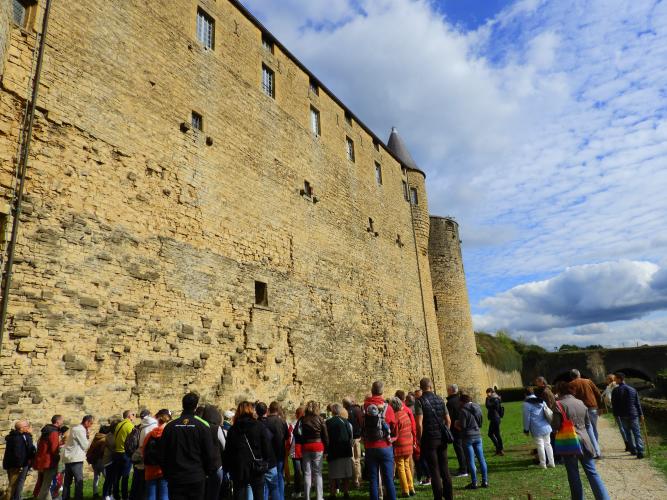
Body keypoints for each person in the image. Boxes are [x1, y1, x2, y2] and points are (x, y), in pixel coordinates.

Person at [553, 381, 610, 500]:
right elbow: (588, 424)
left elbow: (556, 426)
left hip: (569, 442)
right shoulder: (581, 402)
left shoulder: (558, 404)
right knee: (592, 472)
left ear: (559, 391)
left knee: (573, 474)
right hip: (585, 440)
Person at [158, 392, 215, 499]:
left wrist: (167, 473)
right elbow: (209, 454)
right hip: (195, 476)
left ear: (182, 405)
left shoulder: (170, 427)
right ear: (196, 406)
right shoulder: (202, 427)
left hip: (176, 477)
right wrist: (207, 472)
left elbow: (161, 454)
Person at [224, 401, 272, 500]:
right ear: (251, 410)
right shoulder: (259, 426)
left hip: (239, 468)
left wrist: (227, 467)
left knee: (239, 495)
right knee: (258, 495)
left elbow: (228, 451)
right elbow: (266, 447)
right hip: (256, 466)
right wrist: (265, 461)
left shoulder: (233, 429)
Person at [414, 377, 452, 500]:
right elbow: (448, 420)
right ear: (431, 386)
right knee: (445, 469)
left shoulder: (420, 401)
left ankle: (438, 497)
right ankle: (449, 495)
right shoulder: (440, 399)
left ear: (421, 387)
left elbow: (419, 423)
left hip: (429, 439)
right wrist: (445, 430)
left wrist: (419, 439)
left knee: (434, 469)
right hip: (441, 437)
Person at [363, 381, 397, 500]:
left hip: (370, 446)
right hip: (385, 445)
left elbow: (361, 424)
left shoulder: (365, 406)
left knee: (373, 480)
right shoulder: (388, 407)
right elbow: (393, 426)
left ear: (372, 391)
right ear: (382, 392)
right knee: (388, 479)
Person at [295, 401, 328, 500]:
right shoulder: (320, 419)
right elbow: (325, 435)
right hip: (318, 446)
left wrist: (302, 441)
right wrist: (326, 449)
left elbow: (296, 432)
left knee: (307, 473)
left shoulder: (302, 419)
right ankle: (319, 497)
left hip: (306, 446)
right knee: (318, 473)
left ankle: (307, 497)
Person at [457, 394, 488, 490]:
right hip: (478, 434)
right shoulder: (478, 407)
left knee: (471, 460)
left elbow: (463, 426)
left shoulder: (463, 411)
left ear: (462, 402)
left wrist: (456, 425)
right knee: (481, 459)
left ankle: (474, 482)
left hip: (468, 437)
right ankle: (485, 481)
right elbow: (480, 421)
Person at [568, 369, 602, 458]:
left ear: (571, 376)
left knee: (586, 429)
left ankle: (593, 450)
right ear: (579, 374)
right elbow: (598, 393)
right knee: (593, 428)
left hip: (581, 409)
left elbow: (571, 398)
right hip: (593, 407)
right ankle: (596, 448)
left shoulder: (571, 384)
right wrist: (600, 406)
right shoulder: (588, 381)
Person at [611, 372, 645, 459]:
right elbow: (637, 403)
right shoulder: (632, 389)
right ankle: (640, 451)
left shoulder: (615, 391)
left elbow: (614, 405)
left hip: (622, 415)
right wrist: (641, 414)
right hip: (633, 414)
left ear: (619, 379)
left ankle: (633, 450)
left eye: (615, 378)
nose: (614, 380)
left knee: (628, 433)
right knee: (637, 433)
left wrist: (615, 415)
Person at [325, 403, 353, 499]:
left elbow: (326, 437)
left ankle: (333, 493)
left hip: (334, 451)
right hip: (345, 450)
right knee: (346, 474)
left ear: (332, 412)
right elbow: (350, 436)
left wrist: (326, 450)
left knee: (333, 474)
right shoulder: (346, 422)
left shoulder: (328, 422)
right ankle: (346, 492)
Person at [62, 415, 94, 500]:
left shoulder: (76, 428)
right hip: (75, 458)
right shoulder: (80, 430)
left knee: (67, 481)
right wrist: (88, 436)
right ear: (87, 422)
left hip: (70, 457)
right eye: (91, 423)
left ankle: (65, 497)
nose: (91, 425)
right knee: (78, 481)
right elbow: (85, 445)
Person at [143, 409, 172, 500]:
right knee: (164, 496)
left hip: (150, 469)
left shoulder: (149, 434)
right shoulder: (169, 434)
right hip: (164, 470)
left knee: (150, 496)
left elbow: (143, 450)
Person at [2, 419, 35, 500]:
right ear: (21, 428)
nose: (28, 427)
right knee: (14, 485)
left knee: (14, 484)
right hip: (18, 465)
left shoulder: (16, 435)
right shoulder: (17, 438)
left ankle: (16, 497)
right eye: (26, 426)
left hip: (15, 464)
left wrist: (30, 435)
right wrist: (20, 466)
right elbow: (18, 453)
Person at [522, 387, 554, 468]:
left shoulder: (526, 403)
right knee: (548, 444)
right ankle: (551, 462)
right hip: (546, 426)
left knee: (540, 445)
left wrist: (526, 429)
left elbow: (526, 417)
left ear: (525, 394)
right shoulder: (541, 400)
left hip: (536, 427)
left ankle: (543, 463)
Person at [34, 414, 64, 500]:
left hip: (41, 460)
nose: (62, 422)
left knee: (45, 483)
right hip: (48, 462)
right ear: (57, 421)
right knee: (46, 485)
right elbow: (54, 449)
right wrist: (58, 458)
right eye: (62, 420)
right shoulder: (54, 432)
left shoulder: (46, 431)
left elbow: (42, 444)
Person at [263, 401, 288, 500]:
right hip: (279, 452)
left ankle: (266, 496)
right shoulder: (282, 421)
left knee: (266, 478)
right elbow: (286, 436)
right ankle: (280, 497)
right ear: (278, 410)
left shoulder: (264, 421)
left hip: (268, 452)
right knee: (279, 476)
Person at [130, 410, 157, 500]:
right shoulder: (154, 427)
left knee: (137, 485)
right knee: (147, 488)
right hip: (148, 460)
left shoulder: (140, 427)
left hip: (139, 457)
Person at [390, 397, 415, 498]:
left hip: (400, 444)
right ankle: (411, 487)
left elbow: (394, 432)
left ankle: (405, 490)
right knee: (407, 466)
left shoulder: (396, 416)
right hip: (408, 443)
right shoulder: (405, 414)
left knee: (400, 467)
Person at [201, 405, 225, 500]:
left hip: (202, 465)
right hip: (216, 464)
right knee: (214, 494)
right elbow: (224, 445)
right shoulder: (216, 428)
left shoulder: (200, 426)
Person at [112, 410, 136, 500]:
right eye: (133, 415)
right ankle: (125, 496)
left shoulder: (118, 425)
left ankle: (116, 495)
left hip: (116, 453)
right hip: (125, 454)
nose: (134, 416)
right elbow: (133, 440)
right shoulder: (130, 425)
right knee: (125, 476)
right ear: (129, 416)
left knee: (117, 476)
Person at [445, 385, 467, 477]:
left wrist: (448, 429)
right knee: (464, 448)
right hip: (464, 427)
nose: (447, 391)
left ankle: (463, 469)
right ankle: (467, 467)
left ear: (451, 391)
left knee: (459, 449)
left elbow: (449, 417)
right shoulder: (460, 400)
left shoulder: (450, 402)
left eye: (448, 390)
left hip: (456, 428)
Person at [341, 398, 363, 489]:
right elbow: (361, 422)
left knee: (352, 460)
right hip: (356, 437)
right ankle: (358, 480)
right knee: (357, 460)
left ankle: (355, 480)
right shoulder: (357, 410)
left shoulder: (344, 412)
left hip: (349, 438)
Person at [86, 424, 110, 499]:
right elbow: (103, 451)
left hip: (94, 461)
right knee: (107, 478)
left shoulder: (96, 437)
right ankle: (107, 494)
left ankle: (95, 493)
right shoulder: (104, 439)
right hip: (101, 460)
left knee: (96, 477)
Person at [289, 406, 305, 498]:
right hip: (305, 449)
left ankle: (298, 491)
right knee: (306, 471)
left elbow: (290, 438)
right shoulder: (307, 423)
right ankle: (307, 489)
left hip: (296, 450)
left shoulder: (293, 424)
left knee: (298, 472)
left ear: (296, 414)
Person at [484, 388, 504, 456]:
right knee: (496, 434)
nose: (487, 394)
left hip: (495, 418)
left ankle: (499, 448)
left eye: (487, 392)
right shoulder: (496, 398)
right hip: (496, 418)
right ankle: (499, 449)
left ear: (490, 392)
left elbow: (488, 406)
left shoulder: (494, 399)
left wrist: (487, 399)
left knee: (491, 434)